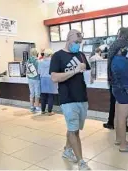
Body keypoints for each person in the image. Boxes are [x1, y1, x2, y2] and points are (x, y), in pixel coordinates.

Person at [50, 29, 91, 170]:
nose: (77, 45)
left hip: (82, 97)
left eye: (79, 43)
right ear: (68, 39)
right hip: (67, 98)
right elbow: (54, 77)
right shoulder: (58, 56)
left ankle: (67, 151)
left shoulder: (81, 55)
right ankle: (81, 162)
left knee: (75, 129)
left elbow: (88, 74)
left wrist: (89, 74)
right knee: (73, 131)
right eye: (75, 42)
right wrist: (74, 70)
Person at [103, 27, 128, 132]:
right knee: (123, 112)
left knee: (115, 105)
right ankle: (123, 131)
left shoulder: (115, 48)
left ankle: (112, 124)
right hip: (126, 83)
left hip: (114, 81)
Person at [38, 49, 58, 115]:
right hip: (50, 79)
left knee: (43, 96)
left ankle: (43, 110)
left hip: (42, 79)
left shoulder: (40, 62)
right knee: (50, 95)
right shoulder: (53, 62)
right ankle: (50, 111)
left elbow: (39, 72)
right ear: (50, 55)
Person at [26, 48, 41, 113]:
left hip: (29, 78)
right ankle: (37, 107)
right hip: (36, 78)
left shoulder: (28, 60)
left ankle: (32, 107)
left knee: (31, 93)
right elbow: (39, 71)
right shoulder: (37, 61)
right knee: (37, 93)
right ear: (36, 53)